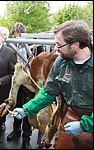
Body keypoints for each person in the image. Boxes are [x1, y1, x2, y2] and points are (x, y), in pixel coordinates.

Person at [12, 20, 93, 149]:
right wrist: (27, 110)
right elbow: (48, 91)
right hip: (71, 115)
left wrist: (85, 125)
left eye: (58, 44)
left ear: (75, 45)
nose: (55, 48)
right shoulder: (61, 62)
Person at [7, 22, 35, 149]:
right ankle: (16, 131)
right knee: (16, 107)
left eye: (17, 33)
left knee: (28, 110)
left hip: (30, 84)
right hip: (17, 83)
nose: (16, 35)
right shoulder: (11, 47)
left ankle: (26, 138)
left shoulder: (34, 46)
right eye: (15, 33)